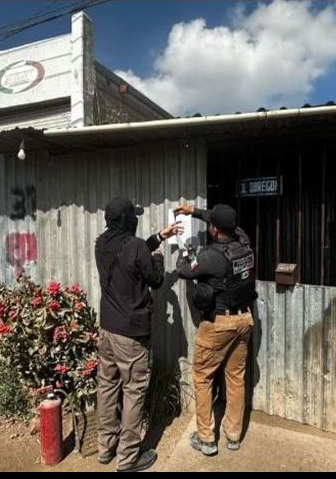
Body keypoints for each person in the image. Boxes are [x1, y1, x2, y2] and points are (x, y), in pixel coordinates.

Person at [94, 195, 180, 472]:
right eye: (134, 217)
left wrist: (158, 237)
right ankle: (128, 458)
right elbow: (154, 280)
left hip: (107, 330)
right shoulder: (136, 247)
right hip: (132, 335)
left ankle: (105, 449)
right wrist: (158, 257)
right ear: (126, 221)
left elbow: (132, 255)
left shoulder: (101, 243)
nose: (136, 220)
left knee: (107, 387)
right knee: (133, 392)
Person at [173, 202, 256, 457]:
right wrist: (194, 212)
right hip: (244, 320)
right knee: (235, 377)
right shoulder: (244, 241)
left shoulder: (211, 257)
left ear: (214, 230)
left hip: (219, 324)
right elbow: (222, 220)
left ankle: (207, 439)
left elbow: (184, 270)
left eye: (210, 224)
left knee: (203, 377)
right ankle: (233, 436)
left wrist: (185, 252)